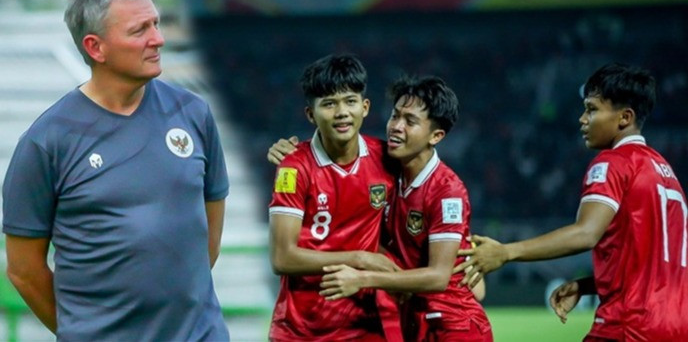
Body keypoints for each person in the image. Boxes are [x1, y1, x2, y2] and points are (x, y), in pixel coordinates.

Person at [2, 0, 230, 341]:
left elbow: (209, 231)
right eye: (140, 30)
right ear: (96, 47)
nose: (158, 39)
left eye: (156, 24)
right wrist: (85, 332)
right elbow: (24, 271)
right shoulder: (48, 142)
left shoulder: (193, 113)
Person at [457, 63, 688, 341]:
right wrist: (589, 285)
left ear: (625, 117)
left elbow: (586, 233)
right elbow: (655, 266)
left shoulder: (614, 163)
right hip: (677, 325)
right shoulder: (665, 172)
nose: (582, 119)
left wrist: (506, 252)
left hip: (629, 325)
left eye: (592, 109)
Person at [317, 76, 492, 341]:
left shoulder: (447, 192)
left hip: (454, 327)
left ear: (436, 135)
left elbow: (438, 278)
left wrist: (364, 278)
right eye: (394, 116)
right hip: (413, 320)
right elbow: (338, 144)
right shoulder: (384, 165)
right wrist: (291, 150)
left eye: (410, 121)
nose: (396, 127)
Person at [267, 54, 401, 341]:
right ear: (310, 114)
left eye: (350, 101)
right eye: (329, 103)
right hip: (301, 330)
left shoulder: (387, 159)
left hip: (363, 327)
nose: (342, 112)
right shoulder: (294, 167)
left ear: (365, 107)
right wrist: (361, 258)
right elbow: (282, 257)